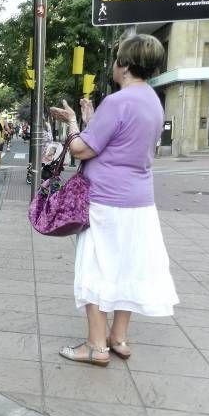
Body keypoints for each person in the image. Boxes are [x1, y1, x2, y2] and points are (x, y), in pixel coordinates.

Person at [50, 34, 178, 366]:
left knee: (96, 267)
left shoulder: (118, 101)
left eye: (116, 58)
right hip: (140, 201)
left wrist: (74, 124)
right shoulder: (152, 99)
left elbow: (82, 149)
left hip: (106, 201)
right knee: (128, 267)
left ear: (123, 64)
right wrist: (94, 121)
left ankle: (95, 346)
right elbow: (121, 141)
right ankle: (118, 337)